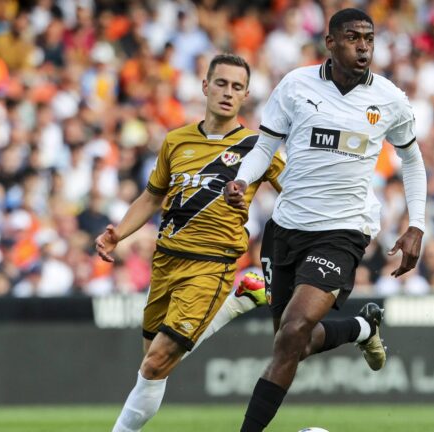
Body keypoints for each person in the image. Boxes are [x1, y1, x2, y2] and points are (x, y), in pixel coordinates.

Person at [223, 8, 427, 431]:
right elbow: (265, 148)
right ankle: (359, 328)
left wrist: (417, 224)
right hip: (285, 228)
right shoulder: (296, 85)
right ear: (330, 43)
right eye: (353, 37)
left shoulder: (388, 99)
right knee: (290, 342)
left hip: (341, 231)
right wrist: (241, 181)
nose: (364, 46)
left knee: (296, 328)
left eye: (369, 38)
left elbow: (412, 160)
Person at [94, 53, 285, 432]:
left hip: (212, 263)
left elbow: (296, 190)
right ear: (205, 86)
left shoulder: (257, 147)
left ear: (245, 95)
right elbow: (152, 196)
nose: (228, 93)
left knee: (156, 362)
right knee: (153, 362)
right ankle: (239, 301)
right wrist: (120, 233)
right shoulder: (176, 141)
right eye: (221, 83)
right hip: (165, 261)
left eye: (236, 87)